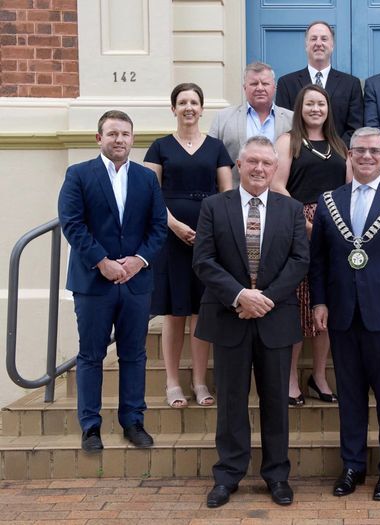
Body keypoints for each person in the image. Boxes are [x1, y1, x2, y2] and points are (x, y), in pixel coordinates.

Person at [309, 127, 380, 501]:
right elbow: (320, 261)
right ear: (350, 155)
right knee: (351, 394)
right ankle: (352, 465)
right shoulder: (330, 200)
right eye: (359, 150)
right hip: (343, 312)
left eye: (373, 150)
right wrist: (319, 301)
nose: (366, 156)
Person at [193, 136, 309, 508]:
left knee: (276, 401)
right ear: (239, 166)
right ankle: (228, 474)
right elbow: (204, 260)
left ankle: (277, 476)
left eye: (266, 163)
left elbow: (299, 261)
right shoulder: (214, 206)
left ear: (275, 169)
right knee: (230, 402)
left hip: (274, 318)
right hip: (229, 317)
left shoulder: (290, 210)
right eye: (252, 161)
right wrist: (241, 296)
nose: (259, 168)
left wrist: (266, 299)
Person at [58, 110, 167, 452]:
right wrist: (102, 262)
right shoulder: (78, 174)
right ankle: (91, 427)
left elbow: (158, 227)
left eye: (125, 134)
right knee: (90, 355)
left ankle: (133, 421)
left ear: (132, 139)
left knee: (133, 354)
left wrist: (139, 260)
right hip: (94, 283)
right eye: (112, 133)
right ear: (99, 138)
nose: (119, 139)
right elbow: (72, 224)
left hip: (136, 282)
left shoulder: (146, 179)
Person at [144, 83, 233, 409]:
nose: (189, 107)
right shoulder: (159, 147)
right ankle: (172, 382)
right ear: (173, 108)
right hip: (170, 237)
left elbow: (226, 194)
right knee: (174, 312)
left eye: (194, 101)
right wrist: (175, 225)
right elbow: (151, 194)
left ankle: (198, 381)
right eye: (182, 102)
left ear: (202, 107)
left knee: (201, 312)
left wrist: (208, 231)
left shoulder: (217, 147)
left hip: (207, 239)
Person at [272, 84, 349, 406]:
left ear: (328, 108)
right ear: (299, 108)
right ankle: (290, 378)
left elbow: (349, 188)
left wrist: (336, 224)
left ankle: (318, 376)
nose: (316, 109)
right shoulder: (288, 141)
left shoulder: (339, 144)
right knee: (298, 304)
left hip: (334, 229)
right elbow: (276, 184)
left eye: (321, 103)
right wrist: (302, 222)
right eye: (309, 104)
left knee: (326, 303)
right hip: (297, 226)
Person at [275, 20, 364, 146]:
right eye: (313, 39)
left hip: (339, 156)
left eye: (324, 39)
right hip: (299, 156)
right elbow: (284, 125)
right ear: (306, 45)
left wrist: (336, 151)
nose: (318, 43)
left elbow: (355, 126)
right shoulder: (286, 83)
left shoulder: (351, 84)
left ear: (332, 45)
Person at [209, 62, 293, 185]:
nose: (260, 88)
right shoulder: (222, 118)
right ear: (245, 88)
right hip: (234, 198)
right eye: (254, 84)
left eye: (265, 83)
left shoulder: (292, 120)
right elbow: (211, 159)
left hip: (278, 199)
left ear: (274, 87)